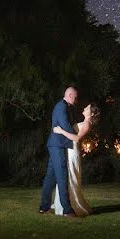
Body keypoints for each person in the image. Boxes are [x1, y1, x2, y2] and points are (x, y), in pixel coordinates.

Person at [51, 103, 100, 217]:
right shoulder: (84, 122)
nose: (84, 108)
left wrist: (61, 131)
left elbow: (77, 138)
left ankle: (71, 206)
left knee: (70, 178)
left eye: (87, 108)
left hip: (73, 152)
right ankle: (62, 204)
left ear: (91, 113)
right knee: (64, 176)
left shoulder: (87, 124)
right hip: (69, 150)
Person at [39, 87, 78, 217]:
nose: (76, 100)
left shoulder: (63, 106)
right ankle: (67, 210)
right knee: (62, 176)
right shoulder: (61, 107)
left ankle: (43, 207)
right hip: (57, 145)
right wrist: (77, 135)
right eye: (75, 97)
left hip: (56, 145)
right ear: (70, 95)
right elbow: (65, 125)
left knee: (51, 177)